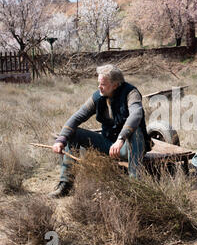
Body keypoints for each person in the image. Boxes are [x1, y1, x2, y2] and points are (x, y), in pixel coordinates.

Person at [50, 64, 151, 198]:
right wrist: (61, 139)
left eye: (103, 84)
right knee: (72, 133)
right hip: (108, 144)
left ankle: (135, 185)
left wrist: (121, 139)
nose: (99, 87)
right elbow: (77, 117)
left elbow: (136, 114)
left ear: (115, 85)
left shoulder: (131, 93)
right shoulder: (98, 96)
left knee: (135, 131)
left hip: (128, 147)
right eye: (99, 83)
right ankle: (66, 184)